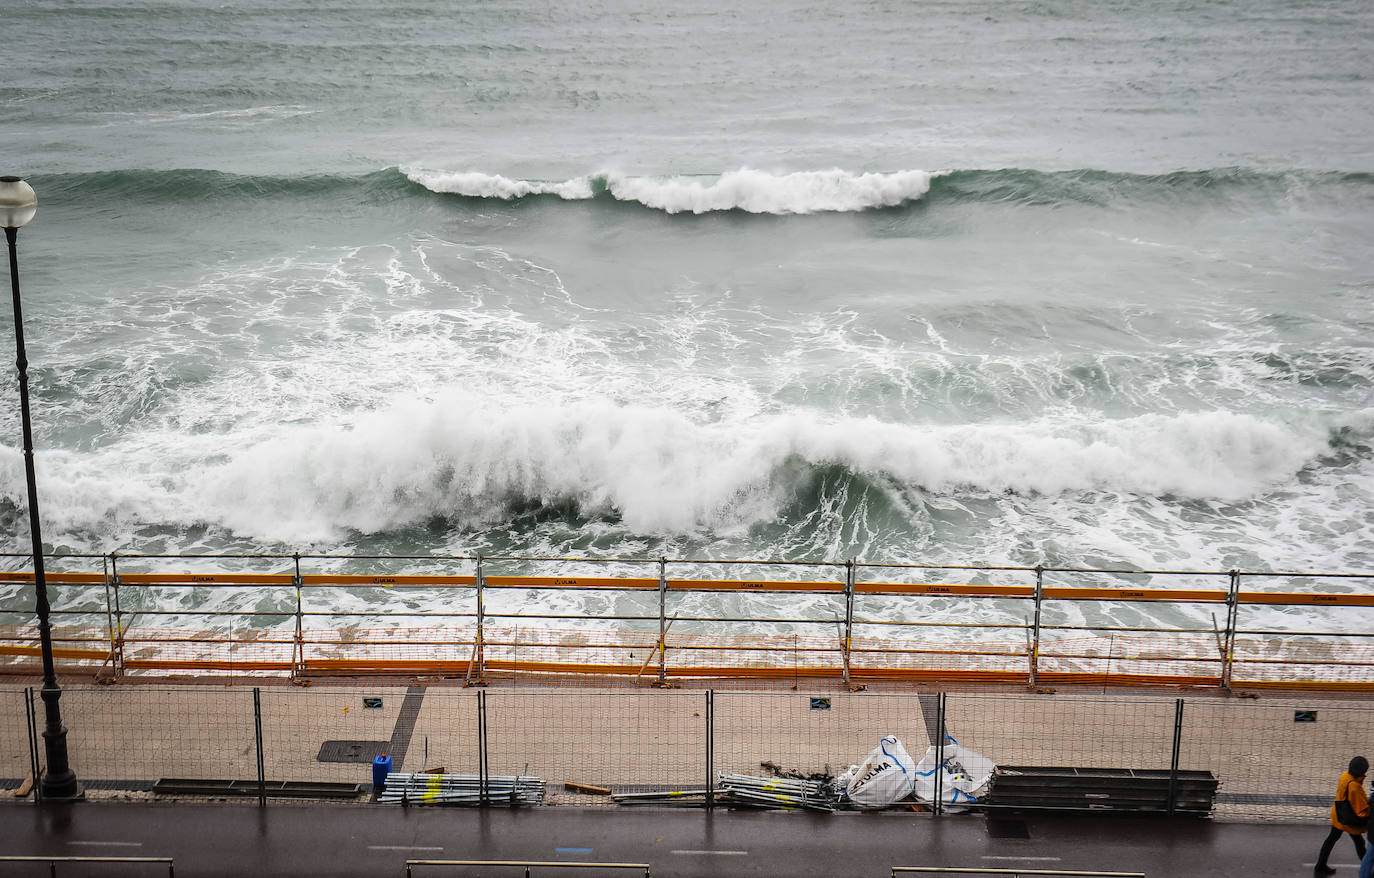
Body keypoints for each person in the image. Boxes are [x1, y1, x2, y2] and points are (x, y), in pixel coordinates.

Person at [1316, 756, 1369, 875]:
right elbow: (1361, 810)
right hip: (1348, 819)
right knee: (1360, 843)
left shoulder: (1345, 776)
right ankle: (1368, 870)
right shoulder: (1354, 786)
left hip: (1338, 814)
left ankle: (1320, 865)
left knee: (1331, 840)